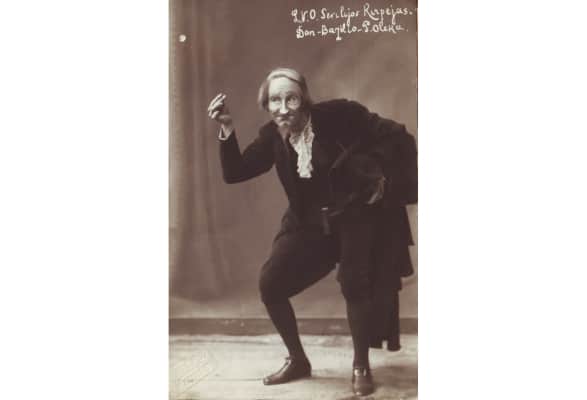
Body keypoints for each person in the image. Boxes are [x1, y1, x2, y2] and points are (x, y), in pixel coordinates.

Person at [207, 67, 417, 396]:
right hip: (309, 225)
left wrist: (383, 182)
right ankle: (298, 360)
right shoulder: (272, 136)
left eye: (291, 99)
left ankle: (360, 365)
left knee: (354, 284)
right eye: (275, 100)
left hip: (354, 218)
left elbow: (398, 137)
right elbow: (235, 173)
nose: (283, 108)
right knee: (270, 284)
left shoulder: (340, 115)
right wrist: (226, 127)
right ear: (266, 104)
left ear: (303, 99)